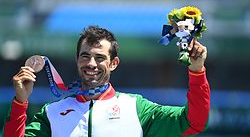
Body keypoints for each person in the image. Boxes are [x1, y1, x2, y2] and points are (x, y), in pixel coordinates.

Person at [3, 26, 210, 137]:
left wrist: (197, 71)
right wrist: (20, 103)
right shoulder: (51, 113)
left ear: (114, 63)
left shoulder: (138, 109)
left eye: (100, 58)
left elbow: (194, 122)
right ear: (77, 60)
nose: (91, 63)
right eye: (85, 56)